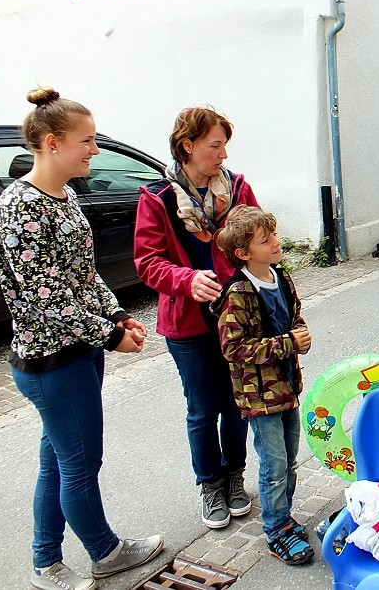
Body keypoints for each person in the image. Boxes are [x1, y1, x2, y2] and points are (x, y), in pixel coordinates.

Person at [0, 88, 163, 590]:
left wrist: (116, 319)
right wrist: (109, 337)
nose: (95, 150)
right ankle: (105, 552)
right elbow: (49, 299)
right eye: (87, 141)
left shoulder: (63, 197)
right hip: (53, 362)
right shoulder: (20, 208)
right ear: (51, 142)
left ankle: (45, 561)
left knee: (61, 460)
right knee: (80, 463)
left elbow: (83, 277)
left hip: (78, 353)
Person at [134, 107, 258, 530]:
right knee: (202, 409)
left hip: (237, 319)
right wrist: (186, 280)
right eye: (215, 145)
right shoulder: (158, 198)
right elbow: (147, 262)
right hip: (187, 324)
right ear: (188, 146)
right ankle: (210, 483)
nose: (223, 154)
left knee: (236, 403)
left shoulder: (237, 190)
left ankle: (235, 476)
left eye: (225, 145)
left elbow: (260, 240)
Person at [215, 206, 314, 565]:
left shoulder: (281, 275)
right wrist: (290, 342)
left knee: (288, 460)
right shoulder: (238, 293)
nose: (275, 242)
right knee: (273, 465)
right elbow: (233, 348)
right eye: (265, 239)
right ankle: (275, 530)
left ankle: (283, 518)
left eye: (273, 235)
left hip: (287, 386)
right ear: (243, 253)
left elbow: (294, 313)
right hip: (260, 398)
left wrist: (299, 331)